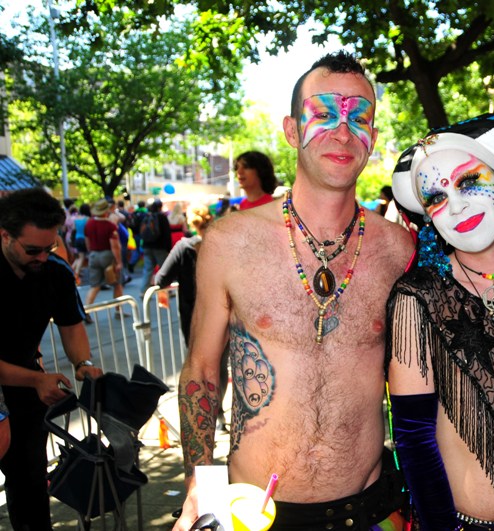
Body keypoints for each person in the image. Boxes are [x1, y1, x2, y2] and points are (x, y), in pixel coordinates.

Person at [173, 51, 414, 531]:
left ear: (375, 137)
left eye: (359, 118)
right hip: (253, 512)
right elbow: (201, 370)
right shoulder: (229, 241)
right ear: (290, 129)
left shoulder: (399, 250)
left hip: (369, 510)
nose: (342, 133)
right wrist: (201, 483)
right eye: (324, 114)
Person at [387, 114, 494, 529]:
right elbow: (414, 436)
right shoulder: (419, 296)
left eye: (468, 181)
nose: (455, 204)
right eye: (436, 198)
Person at [0, 188, 103, 530]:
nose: (42, 257)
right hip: (24, 378)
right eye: (32, 250)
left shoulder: (55, 272)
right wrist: (35, 379)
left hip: (26, 385)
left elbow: (71, 326)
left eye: (50, 248)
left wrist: (82, 364)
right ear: (4, 235)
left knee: (29, 479)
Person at [154, 204, 229, 429]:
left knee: (200, 367)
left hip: (194, 317)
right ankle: (218, 413)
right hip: (223, 313)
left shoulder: (184, 248)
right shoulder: (223, 244)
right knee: (220, 365)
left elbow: (161, 279)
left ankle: (206, 415)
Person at [84, 198, 124, 306]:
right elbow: (114, 246)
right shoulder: (110, 226)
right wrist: (119, 261)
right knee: (117, 283)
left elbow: (87, 241)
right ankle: (118, 310)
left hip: (93, 255)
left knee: (95, 286)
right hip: (107, 255)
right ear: (106, 211)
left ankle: (87, 309)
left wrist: (90, 252)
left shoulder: (89, 224)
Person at [139, 199, 172, 296]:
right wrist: (168, 248)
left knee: (147, 269)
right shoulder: (162, 217)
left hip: (147, 246)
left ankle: (143, 291)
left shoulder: (146, 217)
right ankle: (165, 290)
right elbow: (167, 234)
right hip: (160, 247)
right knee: (164, 269)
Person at [71, 202, 91, 283]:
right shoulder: (87, 219)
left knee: (79, 257)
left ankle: (72, 271)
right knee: (83, 258)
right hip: (85, 239)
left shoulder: (76, 219)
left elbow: (73, 229)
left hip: (77, 238)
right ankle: (76, 275)